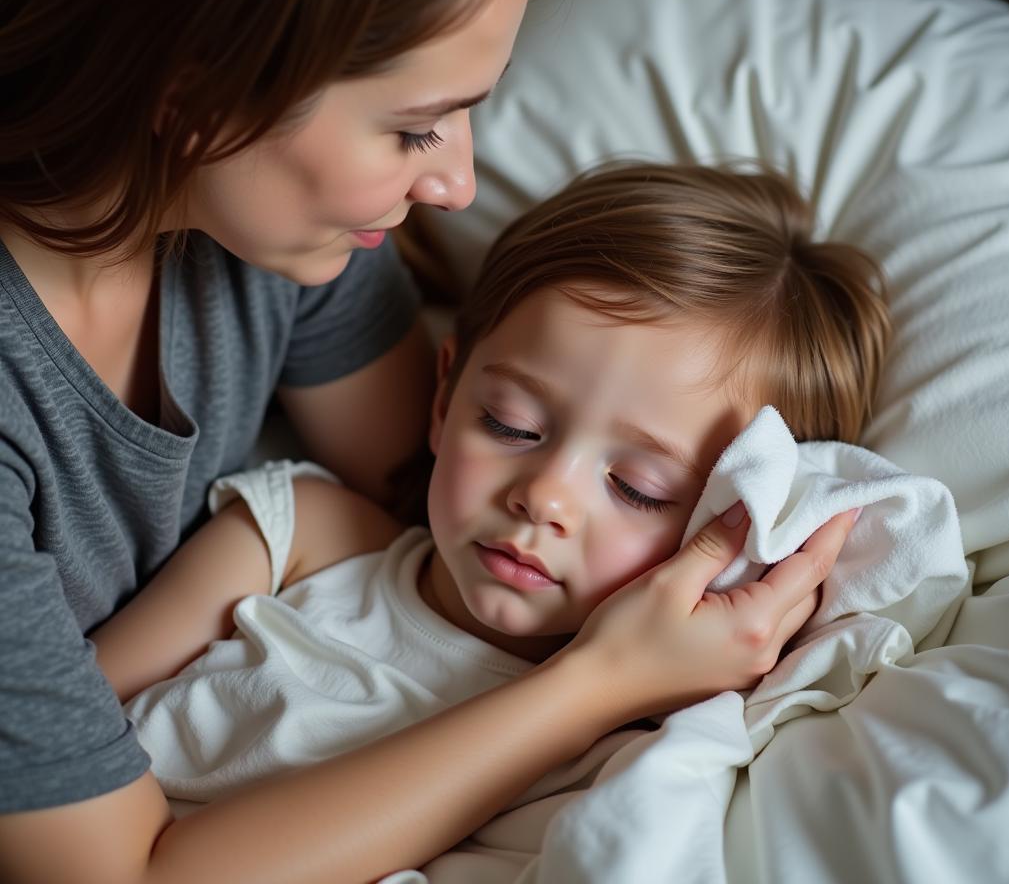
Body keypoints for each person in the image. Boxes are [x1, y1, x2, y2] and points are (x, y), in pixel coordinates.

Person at [0, 0, 852, 882]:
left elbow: (430, 476)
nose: (456, 183)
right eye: (414, 127)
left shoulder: (273, 239)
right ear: (197, 99)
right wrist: (597, 683)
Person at [95, 163, 882, 846]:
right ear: (445, 395)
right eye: (512, 423)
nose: (544, 496)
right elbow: (49, 735)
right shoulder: (301, 533)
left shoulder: (647, 735)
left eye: (639, 487)